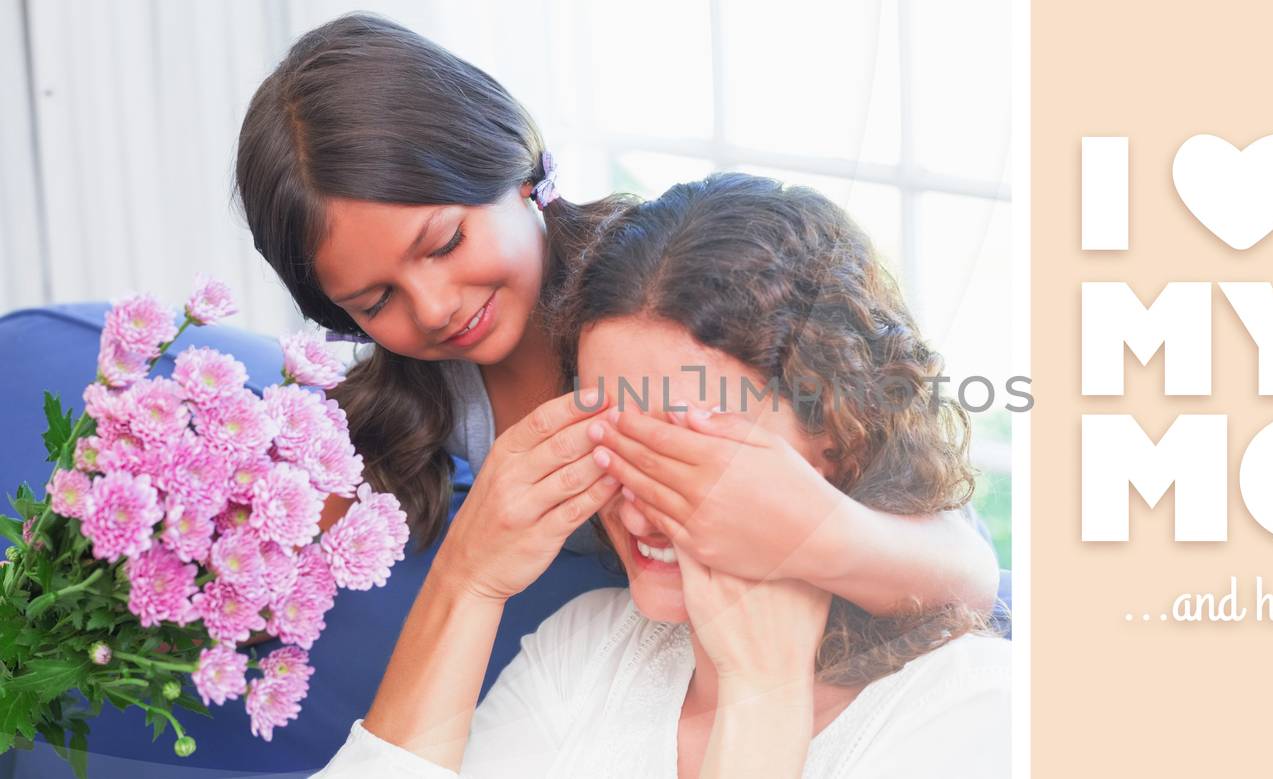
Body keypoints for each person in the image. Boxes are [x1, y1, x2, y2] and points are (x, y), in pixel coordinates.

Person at [234, 13, 997, 638]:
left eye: (444, 243)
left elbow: (966, 566)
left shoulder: (667, 287)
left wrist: (801, 524)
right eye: (375, 303)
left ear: (519, 171)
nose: (433, 307)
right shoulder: (414, 399)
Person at [315, 172, 1011, 778]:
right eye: (615, 442)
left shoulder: (978, 709)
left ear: (839, 432)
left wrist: (762, 696)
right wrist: (467, 579)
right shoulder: (586, 650)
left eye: (690, 451)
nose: (642, 514)